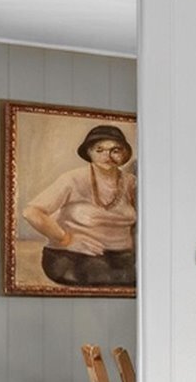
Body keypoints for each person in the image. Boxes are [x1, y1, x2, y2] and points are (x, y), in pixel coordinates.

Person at [22, 124, 138, 289]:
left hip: (121, 257)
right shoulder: (73, 179)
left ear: (125, 154)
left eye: (116, 150)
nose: (108, 155)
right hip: (73, 256)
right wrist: (66, 239)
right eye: (99, 150)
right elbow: (31, 212)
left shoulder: (130, 182)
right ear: (89, 153)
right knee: (100, 274)